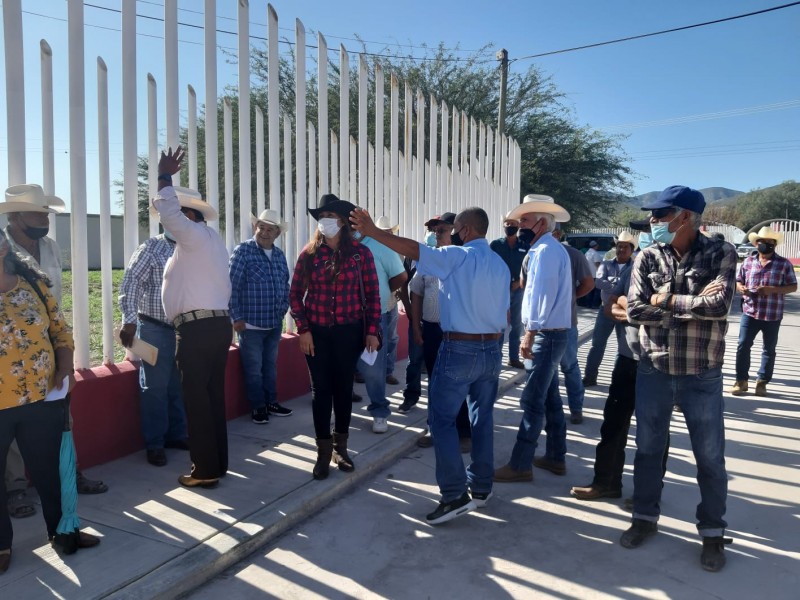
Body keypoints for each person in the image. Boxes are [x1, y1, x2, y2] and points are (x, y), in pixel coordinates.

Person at [350, 206, 509, 526]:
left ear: (464, 230)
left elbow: (414, 250)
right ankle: (480, 487)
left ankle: (453, 495)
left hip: (460, 347)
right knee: (482, 418)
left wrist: (374, 233)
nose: (447, 234)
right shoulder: (499, 263)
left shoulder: (458, 256)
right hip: (492, 347)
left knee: (441, 420)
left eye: (453, 228)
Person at [622, 185, 736, 572]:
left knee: (710, 458)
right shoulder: (647, 255)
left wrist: (664, 300)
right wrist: (686, 307)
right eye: (653, 215)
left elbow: (719, 304)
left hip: (701, 375)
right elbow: (635, 309)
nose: (653, 221)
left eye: (661, 214)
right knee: (648, 451)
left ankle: (712, 532)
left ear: (685, 216)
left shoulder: (721, 253)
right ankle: (644, 518)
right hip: (654, 369)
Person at [2, 184, 107, 522]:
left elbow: (53, 303)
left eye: (45, 212)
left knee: (62, 417)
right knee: (15, 427)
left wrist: (63, 352)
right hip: (10, 359)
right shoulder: (4, 250)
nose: (44, 218)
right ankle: (16, 488)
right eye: (37, 212)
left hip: (50, 347)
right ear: (16, 216)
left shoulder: (48, 247)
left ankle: (68, 475)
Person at [0, 229, 100, 574]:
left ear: (3, 247)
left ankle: (64, 531)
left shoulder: (32, 285)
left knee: (50, 473)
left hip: (41, 398)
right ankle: (1, 544)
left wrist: (65, 366)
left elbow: (59, 329)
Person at [570, 223, 672, 501]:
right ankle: (606, 483)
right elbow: (610, 303)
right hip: (628, 359)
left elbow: (673, 315)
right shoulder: (636, 265)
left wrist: (633, 305)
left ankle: (648, 496)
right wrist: (638, 306)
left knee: (653, 433)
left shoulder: (676, 267)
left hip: (658, 363)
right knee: (613, 426)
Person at [154, 147, 232, 490]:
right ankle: (218, 462)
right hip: (216, 326)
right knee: (212, 396)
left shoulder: (192, 235)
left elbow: (170, 215)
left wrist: (163, 177)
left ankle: (204, 470)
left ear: (189, 216)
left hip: (197, 330)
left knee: (197, 399)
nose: (167, 224)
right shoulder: (209, 241)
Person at [289, 194, 381, 480]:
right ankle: (323, 453)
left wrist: (372, 331)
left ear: (343, 222)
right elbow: (295, 295)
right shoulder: (310, 254)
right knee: (321, 392)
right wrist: (303, 329)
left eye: (331, 216)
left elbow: (373, 295)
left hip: (348, 332)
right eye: (322, 217)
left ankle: (342, 447)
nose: (325, 221)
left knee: (343, 390)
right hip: (315, 334)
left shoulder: (360, 254)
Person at [494, 195, 572, 484]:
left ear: (541, 222)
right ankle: (555, 456)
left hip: (545, 336)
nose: (519, 226)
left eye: (524, 220)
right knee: (549, 398)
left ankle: (521, 464)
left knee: (532, 401)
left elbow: (541, 295)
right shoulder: (545, 249)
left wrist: (529, 334)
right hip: (549, 335)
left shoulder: (546, 252)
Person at [119, 219, 188, 467]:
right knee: (155, 388)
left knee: (178, 386)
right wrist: (128, 320)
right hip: (154, 328)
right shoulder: (151, 247)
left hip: (183, 329)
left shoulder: (190, 247)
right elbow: (131, 283)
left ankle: (177, 435)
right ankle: (155, 443)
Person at [408, 215, 472, 453]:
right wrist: (416, 326)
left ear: (455, 232)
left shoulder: (466, 259)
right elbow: (416, 293)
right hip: (433, 329)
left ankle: (464, 431)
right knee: (435, 382)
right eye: (435, 230)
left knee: (459, 383)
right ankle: (435, 429)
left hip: (459, 331)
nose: (436, 234)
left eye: (442, 230)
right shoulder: (428, 261)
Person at [229, 209, 292, 425]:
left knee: (270, 367)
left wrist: (283, 308)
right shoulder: (243, 251)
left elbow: (285, 285)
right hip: (250, 325)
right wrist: (236, 318)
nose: (264, 232)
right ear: (256, 227)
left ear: (277, 234)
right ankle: (258, 407)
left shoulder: (279, 255)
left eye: (270, 229)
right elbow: (232, 287)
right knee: (254, 370)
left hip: (274, 323)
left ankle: (271, 402)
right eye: (261, 227)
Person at [731, 226, 797, 397]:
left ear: (775, 245)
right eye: (763, 242)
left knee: (769, 349)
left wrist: (772, 290)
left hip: (772, 314)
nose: (766, 245)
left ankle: (762, 382)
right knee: (743, 345)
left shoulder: (783, 264)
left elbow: (793, 286)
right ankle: (741, 381)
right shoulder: (748, 262)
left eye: (770, 242)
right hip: (750, 311)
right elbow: (738, 280)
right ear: (756, 243)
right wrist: (741, 288)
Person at [357, 217, 408, 433]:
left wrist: (384, 290)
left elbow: (401, 275)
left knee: (374, 369)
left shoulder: (378, 245)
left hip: (375, 315)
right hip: (344, 317)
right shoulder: (336, 247)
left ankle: (379, 411)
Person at [398, 215, 452, 414]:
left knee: (438, 370)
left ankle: (438, 410)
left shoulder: (452, 257)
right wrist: (411, 315)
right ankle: (411, 396)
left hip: (442, 326)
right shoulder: (414, 256)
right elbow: (407, 286)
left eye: (438, 230)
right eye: (430, 229)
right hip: (419, 319)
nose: (433, 234)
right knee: (414, 361)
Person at [545, 226, 595, 423]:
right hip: (542, 326)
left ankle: (576, 408)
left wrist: (570, 298)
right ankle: (553, 410)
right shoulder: (534, 253)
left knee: (569, 366)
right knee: (550, 371)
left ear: (557, 234)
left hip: (566, 323)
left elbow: (589, 283)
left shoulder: (573, 254)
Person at [582, 232, 637, 387]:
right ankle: (590, 376)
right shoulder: (606, 264)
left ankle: (616, 380)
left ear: (631, 250)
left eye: (625, 247)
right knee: (597, 345)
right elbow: (599, 282)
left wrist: (613, 288)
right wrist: (618, 289)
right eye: (619, 246)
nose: (621, 250)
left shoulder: (635, 268)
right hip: (605, 310)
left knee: (623, 349)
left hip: (623, 313)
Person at [490, 217, 530, 369]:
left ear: (518, 226)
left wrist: (519, 282)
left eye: (513, 224)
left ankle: (513, 358)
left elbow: (529, 267)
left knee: (516, 325)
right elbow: (489, 265)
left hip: (518, 291)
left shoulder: (525, 246)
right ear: (503, 226)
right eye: (507, 224)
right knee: (499, 324)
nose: (510, 227)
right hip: (499, 291)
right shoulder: (495, 245)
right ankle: (496, 357)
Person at [374, 216, 402, 385]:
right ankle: (375, 372)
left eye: (389, 231)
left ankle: (388, 371)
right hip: (375, 301)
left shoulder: (397, 249)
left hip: (392, 300)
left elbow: (400, 273)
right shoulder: (370, 249)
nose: (388, 234)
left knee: (391, 338)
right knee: (377, 339)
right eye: (384, 232)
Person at [584, 240, 606, 308]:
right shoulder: (595, 253)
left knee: (589, 290)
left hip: (589, 274)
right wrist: (601, 272)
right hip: (595, 274)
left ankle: (588, 304)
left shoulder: (587, 253)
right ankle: (594, 304)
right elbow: (597, 264)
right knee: (597, 291)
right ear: (595, 246)